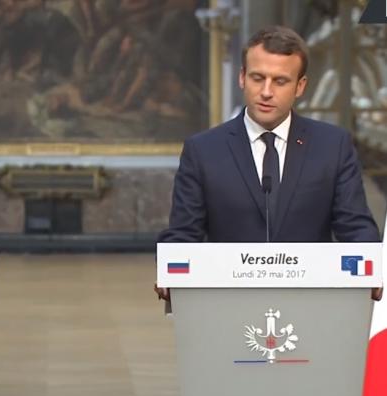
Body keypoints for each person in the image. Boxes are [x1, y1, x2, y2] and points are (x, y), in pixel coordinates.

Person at [155, 25, 381, 301]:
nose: (266, 91)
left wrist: (373, 269)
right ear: (242, 78)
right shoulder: (203, 151)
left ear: (300, 86)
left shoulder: (333, 146)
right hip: (228, 303)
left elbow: (355, 227)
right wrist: (169, 271)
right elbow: (183, 235)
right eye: (257, 78)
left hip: (311, 303)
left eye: (280, 81)